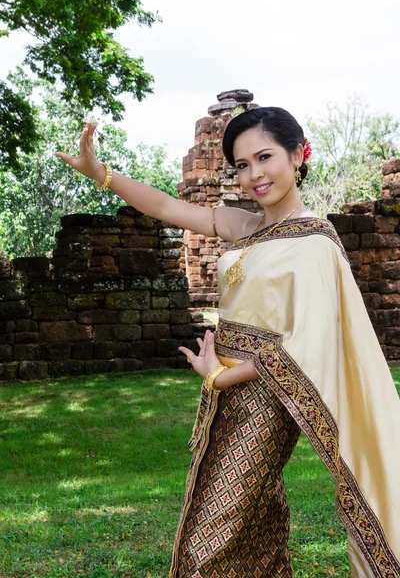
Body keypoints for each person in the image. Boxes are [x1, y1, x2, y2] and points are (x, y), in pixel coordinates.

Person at [57, 107, 400, 577]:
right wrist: (103, 174)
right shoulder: (245, 227)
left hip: (270, 399)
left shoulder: (315, 239)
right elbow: (168, 208)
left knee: (210, 538)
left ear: (300, 153)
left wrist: (223, 374)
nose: (254, 174)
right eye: (241, 165)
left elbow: (306, 341)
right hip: (225, 392)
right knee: (249, 526)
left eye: (264, 157)